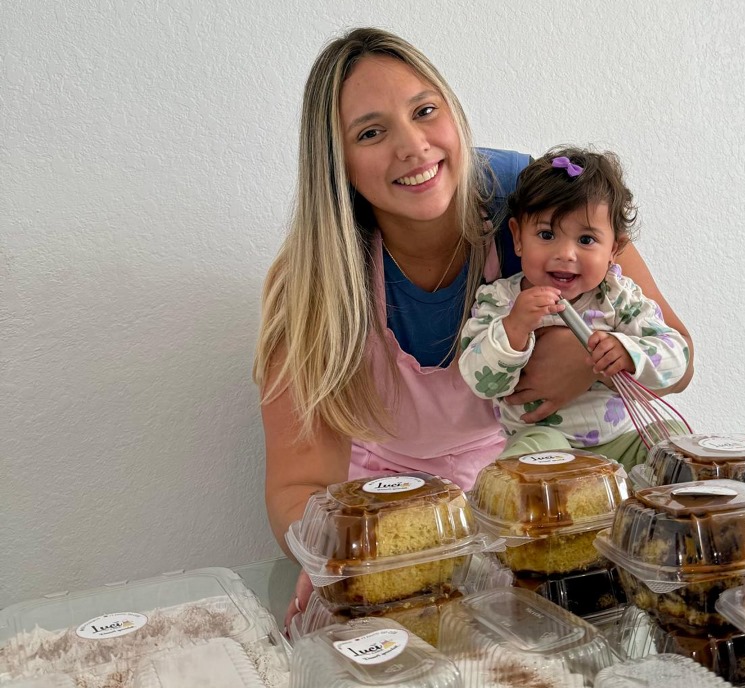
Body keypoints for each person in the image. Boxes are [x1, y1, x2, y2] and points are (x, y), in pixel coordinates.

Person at [253, 28, 695, 631]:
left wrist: (587, 358)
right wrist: (330, 550)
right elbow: (299, 482)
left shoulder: (535, 201)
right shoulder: (314, 278)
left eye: (425, 111)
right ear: (337, 163)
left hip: (515, 495)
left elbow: (677, 353)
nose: (413, 146)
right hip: (381, 514)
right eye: (371, 132)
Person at [459, 148, 689, 468]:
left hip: (624, 439)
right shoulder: (499, 301)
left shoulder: (619, 297)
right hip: (543, 439)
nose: (566, 253)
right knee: (519, 467)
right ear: (518, 237)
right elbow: (480, 382)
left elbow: (677, 357)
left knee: (676, 443)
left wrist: (628, 352)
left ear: (615, 249)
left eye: (586, 240)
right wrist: (513, 329)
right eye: (546, 234)